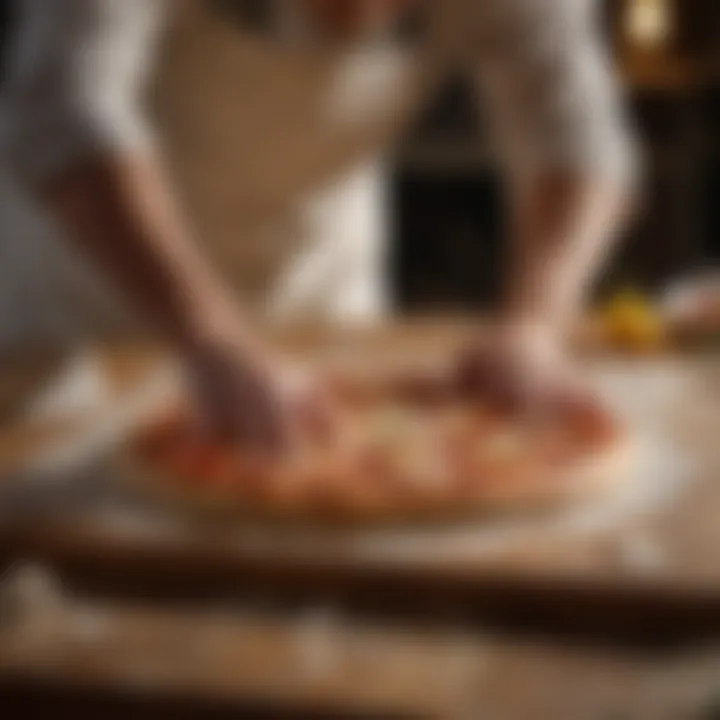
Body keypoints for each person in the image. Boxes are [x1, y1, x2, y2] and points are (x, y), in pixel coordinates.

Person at [0, 0, 637, 451]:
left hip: (321, 299)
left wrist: (534, 327)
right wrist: (212, 336)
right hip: (85, 310)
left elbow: (579, 144)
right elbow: (63, 107)